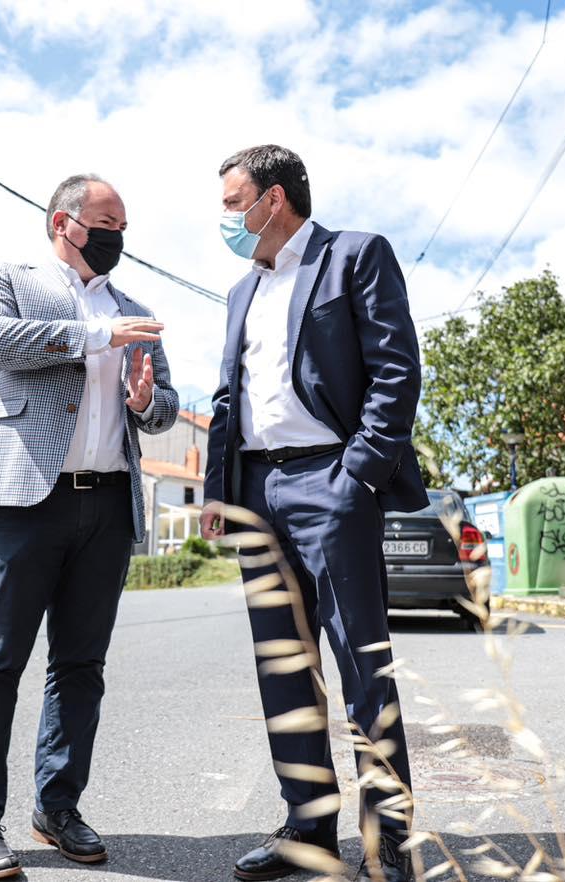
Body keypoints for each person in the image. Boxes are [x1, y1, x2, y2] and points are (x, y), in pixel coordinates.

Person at [199, 145, 428, 882]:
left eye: (234, 202)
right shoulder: (241, 292)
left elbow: (397, 370)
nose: (226, 217)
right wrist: (217, 491)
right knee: (285, 667)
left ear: (274, 199)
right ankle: (309, 828)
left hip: (331, 480)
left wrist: (356, 475)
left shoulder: (354, 256)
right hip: (258, 491)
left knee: (361, 663)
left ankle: (388, 836)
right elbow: (228, 400)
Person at [0, 174, 178, 879]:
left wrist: (146, 404)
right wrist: (94, 335)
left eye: (125, 225)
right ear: (64, 222)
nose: (118, 237)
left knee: (80, 667)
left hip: (106, 504)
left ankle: (58, 808)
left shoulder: (136, 310)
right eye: (108, 220)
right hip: (23, 498)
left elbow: (167, 404)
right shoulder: (10, 281)